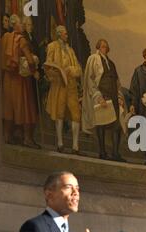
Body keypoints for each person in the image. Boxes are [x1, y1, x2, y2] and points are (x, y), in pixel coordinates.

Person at [82, 39, 129, 162]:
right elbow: (90, 80)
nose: (104, 48)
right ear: (98, 47)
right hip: (102, 96)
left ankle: (115, 153)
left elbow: (117, 82)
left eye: (106, 47)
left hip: (112, 96)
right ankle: (102, 152)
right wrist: (98, 96)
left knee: (117, 126)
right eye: (102, 46)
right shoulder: (93, 59)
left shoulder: (111, 63)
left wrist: (119, 97)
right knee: (101, 125)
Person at [1, 14, 41, 149]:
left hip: (8, 77)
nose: (23, 26)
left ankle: (7, 136)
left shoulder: (5, 38)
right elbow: (29, 59)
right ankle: (28, 139)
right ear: (15, 25)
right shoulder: (21, 40)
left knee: (9, 107)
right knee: (26, 107)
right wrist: (34, 70)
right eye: (21, 24)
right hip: (20, 78)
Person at [44, 26, 82, 154]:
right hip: (59, 85)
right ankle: (60, 143)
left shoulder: (70, 50)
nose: (67, 35)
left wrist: (72, 70)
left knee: (76, 114)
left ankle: (75, 146)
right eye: (65, 33)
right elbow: (48, 65)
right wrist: (57, 73)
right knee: (59, 113)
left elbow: (78, 68)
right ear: (59, 34)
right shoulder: (52, 46)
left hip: (71, 85)